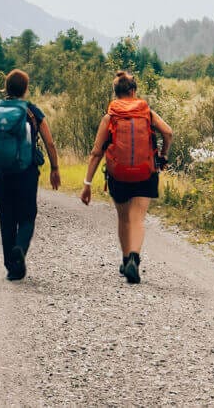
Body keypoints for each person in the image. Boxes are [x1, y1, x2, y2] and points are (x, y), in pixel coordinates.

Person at [79, 70, 173, 284]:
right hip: (145, 172)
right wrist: (163, 156)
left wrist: (87, 184)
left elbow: (96, 152)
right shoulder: (146, 112)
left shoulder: (110, 116)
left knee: (123, 218)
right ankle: (134, 258)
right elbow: (168, 132)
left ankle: (124, 259)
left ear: (116, 92)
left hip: (118, 175)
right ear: (133, 90)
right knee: (138, 218)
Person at [0, 69, 61, 280]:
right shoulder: (31, 111)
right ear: (26, 89)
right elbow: (50, 142)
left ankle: (12, 268)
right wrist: (55, 169)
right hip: (26, 173)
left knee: (6, 219)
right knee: (27, 216)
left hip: (0, 174)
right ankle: (20, 248)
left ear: (6, 88)